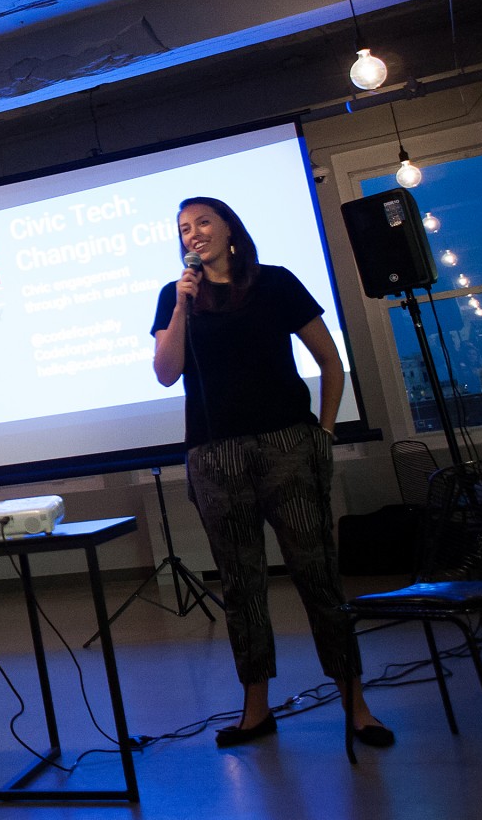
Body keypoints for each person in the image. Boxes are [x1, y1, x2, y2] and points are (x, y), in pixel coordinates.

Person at [150, 197, 391, 748]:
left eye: (203, 222)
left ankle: (358, 705)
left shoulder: (275, 282)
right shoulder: (175, 295)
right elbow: (165, 373)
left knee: (317, 576)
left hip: (288, 445)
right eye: (184, 228)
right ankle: (255, 710)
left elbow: (330, 361)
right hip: (215, 455)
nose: (193, 233)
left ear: (230, 229)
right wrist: (183, 307)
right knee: (241, 586)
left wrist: (324, 432)